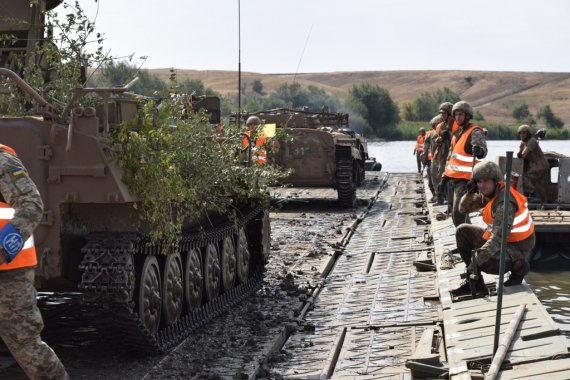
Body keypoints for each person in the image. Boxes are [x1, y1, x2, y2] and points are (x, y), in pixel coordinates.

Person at [0, 144, 69, 379]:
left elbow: (31, 205)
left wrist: (2, 248)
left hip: (9, 273)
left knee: (26, 346)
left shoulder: (2, 161)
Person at [452, 161, 535, 294]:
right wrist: (469, 193)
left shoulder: (504, 203)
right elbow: (463, 209)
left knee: (484, 261)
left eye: (485, 181)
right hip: (505, 240)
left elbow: (497, 239)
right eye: (478, 181)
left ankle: (519, 267)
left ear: (495, 181)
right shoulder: (490, 193)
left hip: (517, 247)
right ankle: (477, 284)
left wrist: (475, 262)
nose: (482, 185)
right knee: (462, 231)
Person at [441, 101, 487, 226]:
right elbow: (451, 158)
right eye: (455, 115)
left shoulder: (475, 131)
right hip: (453, 179)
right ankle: (467, 239)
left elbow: (483, 151)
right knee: (456, 214)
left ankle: (466, 242)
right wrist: (444, 178)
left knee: (458, 213)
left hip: (466, 180)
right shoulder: (457, 134)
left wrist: (479, 151)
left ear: (467, 116)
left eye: (461, 114)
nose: (458, 117)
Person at [517, 124, 549, 203]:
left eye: (524, 133)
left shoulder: (532, 141)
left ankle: (533, 194)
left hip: (540, 164)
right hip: (534, 165)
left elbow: (523, 155)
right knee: (537, 183)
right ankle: (541, 199)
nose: (522, 135)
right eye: (520, 133)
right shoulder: (523, 143)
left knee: (525, 177)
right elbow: (520, 156)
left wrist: (520, 154)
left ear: (528, 134)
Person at [432, 102, 457, 205]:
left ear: (450, 113)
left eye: (444, 113)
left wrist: (450, 135)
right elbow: (435, 139)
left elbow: (459, 137)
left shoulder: (456, 124)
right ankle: (440, 198)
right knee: (439, 176)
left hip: (453, 155)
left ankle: (449, 199)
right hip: (442, 155)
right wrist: (440, 138)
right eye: (441, 113)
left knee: (449, 177)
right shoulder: (440, 126)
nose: (442, 115)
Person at [422, 115, 443, 201]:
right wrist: (424, 160)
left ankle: (440, 197)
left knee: (440, 180)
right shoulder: (430, 135)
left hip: (442, 161)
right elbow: (425, 149)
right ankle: (436, 195)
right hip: (432, 161)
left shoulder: (447, 134)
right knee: (431, 181)